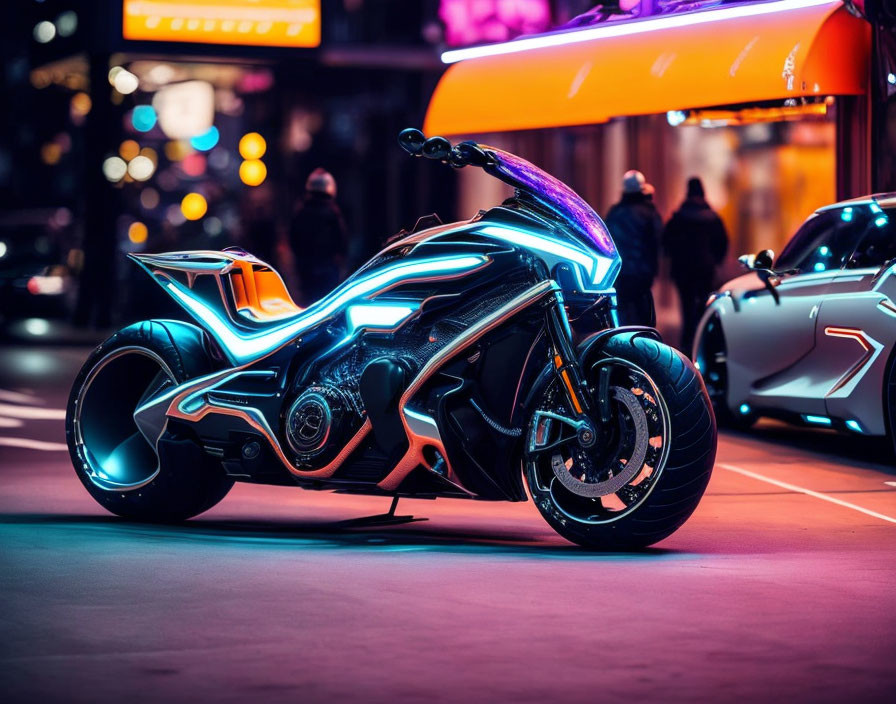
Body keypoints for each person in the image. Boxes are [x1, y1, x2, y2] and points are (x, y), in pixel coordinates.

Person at [663, 177, 729, 353]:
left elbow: (666, 242)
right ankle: (703, 345)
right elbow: (722, 242)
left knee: (686, 308)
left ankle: (687, 344)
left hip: (683, 271)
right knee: (704, 307)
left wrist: (674, 258)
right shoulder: (712, 218)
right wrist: (716, 261)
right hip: (705, 270)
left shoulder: (678, 218)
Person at [604, 170, 662, 326]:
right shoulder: (649, 213)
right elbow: (657, 241)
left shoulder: (615, 213)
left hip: (621, 272)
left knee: (623, 313)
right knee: (643, 313)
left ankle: (625, 345)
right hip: (642, 273)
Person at [289, 168, 349, 306]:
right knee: (328, 302)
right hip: (327, 266)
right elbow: (342, 238)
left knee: (309, 302)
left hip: (307, 266)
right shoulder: (333, 212)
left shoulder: (301, 211)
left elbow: (294, 239)